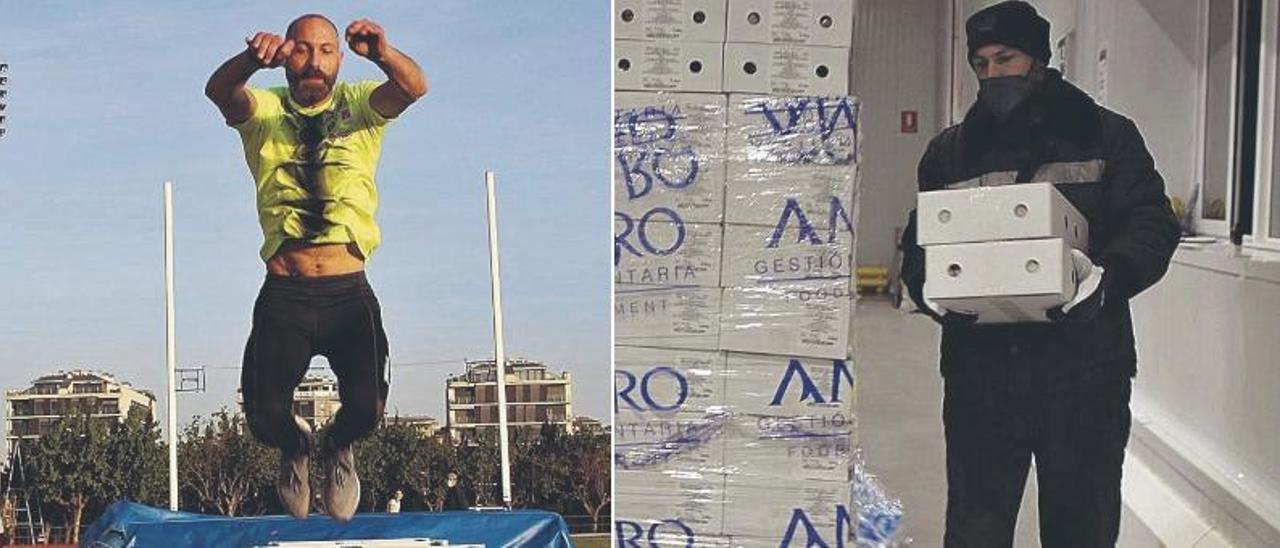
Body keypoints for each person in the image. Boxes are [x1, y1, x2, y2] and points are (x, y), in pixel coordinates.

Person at [899, 2, 1180, 546]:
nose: (993, 74)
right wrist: (929, 289)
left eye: (1006, 58)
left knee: (1081, 524)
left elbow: (1152, 222)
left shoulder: (1106, 136)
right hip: (981, 374)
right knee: (976, 526)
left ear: (1040, 58)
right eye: (980, 64)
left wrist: (1109, 277)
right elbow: (920, 242)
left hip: (1083, 370)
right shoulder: (951, 152)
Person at [204, 13, 427, 521]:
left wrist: (384, 53)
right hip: (286, 291)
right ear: (285, 55)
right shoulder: (264, 109)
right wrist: (248, 60)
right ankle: (296, 446)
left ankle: (339, 448)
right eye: (302, 50)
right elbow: (220, 91)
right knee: (263, 418)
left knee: (367, 409)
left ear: (339, 59)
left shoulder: (360, 105)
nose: (314, 61)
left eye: (325, 51)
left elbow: (414, 87)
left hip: (348, 292)